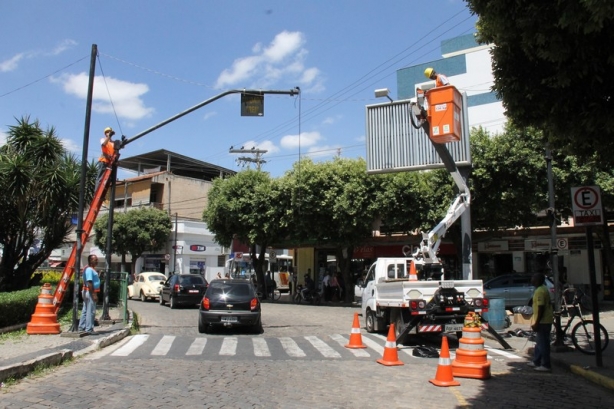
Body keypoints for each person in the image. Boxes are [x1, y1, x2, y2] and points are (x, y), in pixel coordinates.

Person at [529, 272, 553, 372]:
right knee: (539, 342)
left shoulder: (540, 291)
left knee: (543, 343)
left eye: (533, 277)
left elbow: (541, 307)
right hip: (544, 320)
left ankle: (546, 364)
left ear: (538, 280)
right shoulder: (541, 289)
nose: (531, 279)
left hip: (543, 321)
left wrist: (537, 323)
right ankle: (536, 361)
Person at [78, 254, 101, 334]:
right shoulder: (89, 270)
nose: (97, 261)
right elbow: (90, 282)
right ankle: (89, 329)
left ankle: (82, 327)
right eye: (95, 259)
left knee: (85, 310)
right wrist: (94, 294)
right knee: (90, 311)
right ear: (90, 261)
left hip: (87, 291)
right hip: (89, 292)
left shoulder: (90, 269)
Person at [95, 127, 117, 192]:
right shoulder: (103, 139)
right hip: (103, 161)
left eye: (110, 132)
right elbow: (103, 144)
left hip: (110, 162)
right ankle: (96, 192)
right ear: (105, 134)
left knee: (108, 179)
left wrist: (123, 141)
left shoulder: (113, 142)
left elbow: (120, 146)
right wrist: (109, 137)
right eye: (107, 132)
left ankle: (103, 192)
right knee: (100, 178)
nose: (109, 133)